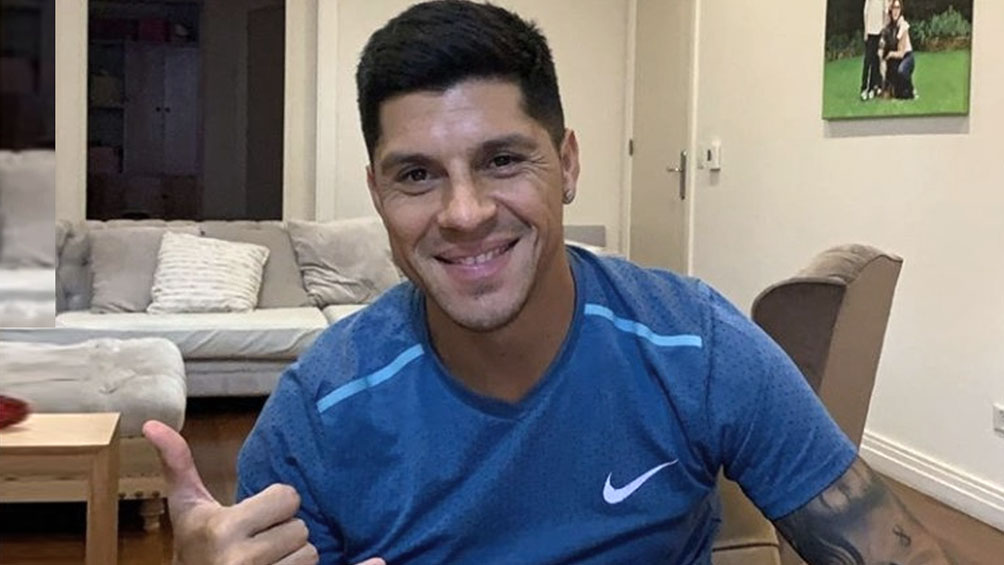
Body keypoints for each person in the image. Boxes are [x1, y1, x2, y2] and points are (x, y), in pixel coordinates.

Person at [144, 1, 957, 563]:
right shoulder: (318, 415)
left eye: (503, 160)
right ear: (377, 194)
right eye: (417, 175)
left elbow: (895, 547)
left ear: (566, 164)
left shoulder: (694, 345)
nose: (464, 213)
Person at [882, 0, 917, 99]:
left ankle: (911, 91)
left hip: (907, 56)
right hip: (897, 56)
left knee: (901, 71)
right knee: (898, 94)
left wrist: (889, 55)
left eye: (898, 8)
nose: (895, 11)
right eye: (893, 8)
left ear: (901, 10)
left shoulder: (903, 25)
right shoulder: (890, 26)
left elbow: (901, 53)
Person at [861, 0, 891, 100]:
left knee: (875, 61)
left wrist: (883, 33)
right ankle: (864, 88)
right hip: (870, 32)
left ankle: (871, 88)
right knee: (867, 61)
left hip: (879, 32)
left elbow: (885, 13)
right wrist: (866, 31)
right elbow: (866, 12)